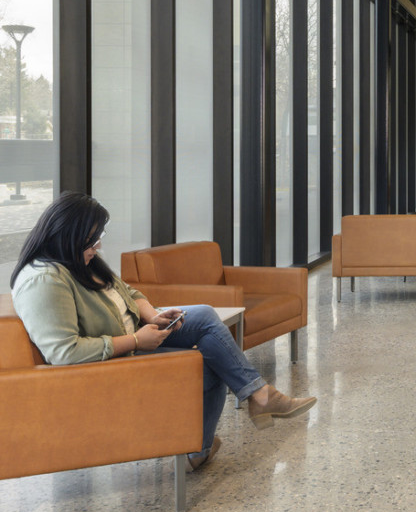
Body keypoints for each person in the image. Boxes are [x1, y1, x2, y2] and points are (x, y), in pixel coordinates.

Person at [10, 193, 316, 474]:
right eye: (92, 239)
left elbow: (128, 291)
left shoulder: (77, 260)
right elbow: (64, 353)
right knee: (208, 364)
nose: (98, 245)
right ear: (68, 235)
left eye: (98, 237)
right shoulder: (45, 281)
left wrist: (153, 315)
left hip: (133, 333)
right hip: (112, 358)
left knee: (206, 315)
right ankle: (223, 429)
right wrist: (135, 341)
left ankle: (256, 396)